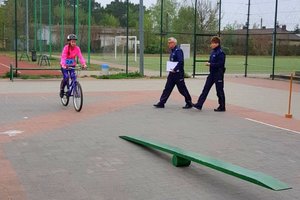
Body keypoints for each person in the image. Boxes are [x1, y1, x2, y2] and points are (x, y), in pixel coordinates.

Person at [153, 37, 193, 109]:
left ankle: (189, 102)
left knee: (182, 89)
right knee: (167, 88)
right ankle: (162, 102)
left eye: (170, 42)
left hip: (178, 74)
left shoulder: (178, 51)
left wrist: (175, 69)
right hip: (172, 74)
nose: (168, 44)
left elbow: (181, 62)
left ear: (174, 43)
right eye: (168, 43)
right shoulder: (172, 51)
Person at [193, 36, 226, 112]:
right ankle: (199, 104)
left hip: (218, 74)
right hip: (212, 74)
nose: (211, 45)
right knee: (205, 89)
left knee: (219, 91)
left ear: (217, 43)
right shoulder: (213, 52)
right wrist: (209, 63)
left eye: (212, 43)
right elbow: (211, 61)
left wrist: (210, 64)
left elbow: (220, 64)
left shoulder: (221, 53)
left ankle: (222, 106)